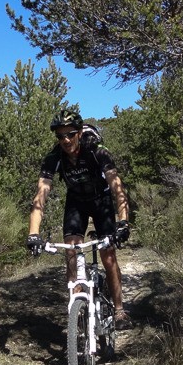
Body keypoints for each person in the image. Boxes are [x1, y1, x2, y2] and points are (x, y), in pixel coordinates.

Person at [26, 110, 132, 325]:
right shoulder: (54, 158)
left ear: (80, 133)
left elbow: (116, 186)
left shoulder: (96, 151)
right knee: (72, 250)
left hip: (101, 200)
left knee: (108, 254)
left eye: (70, 134)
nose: (65, 140)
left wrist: (123, 221)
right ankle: (78, 309)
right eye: (60, 136)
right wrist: (33, 234)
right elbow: (40, 196)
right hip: (76, 202)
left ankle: (119, 309)